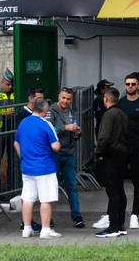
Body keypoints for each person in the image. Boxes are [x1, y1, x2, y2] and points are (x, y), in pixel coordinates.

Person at [14, 98, 62, 239]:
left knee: (27, 198)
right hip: (44, 167)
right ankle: (45, 229)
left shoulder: (23, 122)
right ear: (45, 111)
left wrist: (24, 158)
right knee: (45, 199)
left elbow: (16, 144)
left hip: (27, 167)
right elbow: (56, 146)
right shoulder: (46, 124)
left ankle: (27, 228)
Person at [113, 73, 139, 230]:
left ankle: (134, 215)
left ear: (138, 86)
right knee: (117, 181)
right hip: (122, 147)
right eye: (127, 84)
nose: (130, 86)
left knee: (138, 182)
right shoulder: (119, 104)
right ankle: (116, 214)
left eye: (133, 84)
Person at [47, 87, 86, 228]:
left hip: (68, 154)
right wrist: (66, 128)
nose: (65, 101)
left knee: (72, 187)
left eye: (68, 99)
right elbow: (49, 130)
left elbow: (74, 131)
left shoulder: (72, 111)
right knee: (51, 187)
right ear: (58, 96)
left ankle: (77, 217)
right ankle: (48, 218)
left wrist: (77, 132)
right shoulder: (51, 111)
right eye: (63, 98)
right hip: (54, 154)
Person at [95, 87, 128, 238]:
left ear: (106, 99)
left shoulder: (109, 114)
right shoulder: (122, 114)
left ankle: (113, 226)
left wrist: (98, 153)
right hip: (122, 154)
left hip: (111, 155)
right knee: (120, 189)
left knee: (112, 191)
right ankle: (120, 224)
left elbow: (104, 137)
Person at [15, 87, 49, 232]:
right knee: (31, 195)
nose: (40, 101)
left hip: (32, 160)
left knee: (32, 195)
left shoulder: (42, 116)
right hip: (31, 160)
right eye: (38, 98)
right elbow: (17, 141)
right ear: (30, 99)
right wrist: (24, 157)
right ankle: (27, 222)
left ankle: (30, 222)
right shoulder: (22, 116)